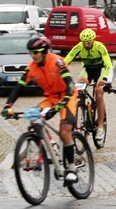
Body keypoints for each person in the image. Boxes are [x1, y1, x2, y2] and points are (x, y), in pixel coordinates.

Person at [2, 37, 80, 182]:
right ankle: (52, 147)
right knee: (34, 119)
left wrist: (63, 102)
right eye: (31, 52)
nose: (33, 55)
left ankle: (72, 168)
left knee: (64, 131)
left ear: (44, 52)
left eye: (36, 52)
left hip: (67, 96)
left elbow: (70, 83)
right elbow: (18, 88)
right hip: (50, 98)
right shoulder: (31, 67)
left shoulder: (57, 61)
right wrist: (8, 106)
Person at [63, 28, 113, 141]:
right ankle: (82, 106)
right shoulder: (79, 47)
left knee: (99, 92)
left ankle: (100, 127)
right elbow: (66, 62)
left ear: (93, 40)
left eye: (89, 42)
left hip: (101, 70)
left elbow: (109, 65)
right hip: (87, 70)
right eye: (84, 42)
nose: (87, 44)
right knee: (79, 85)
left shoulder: (100, 47)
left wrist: (105, 78)